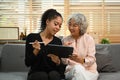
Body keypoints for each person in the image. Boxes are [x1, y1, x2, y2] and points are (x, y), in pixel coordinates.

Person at [25, 9, 66, 80]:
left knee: (54, 75)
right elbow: (27, 63)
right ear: (47, 22)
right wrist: (36, 51)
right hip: (36, 73)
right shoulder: (31, 37)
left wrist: (58, 62)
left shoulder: (58, 41)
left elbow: (61, 69)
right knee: (42, 76)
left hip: (53, 73)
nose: (58, 28)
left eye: (60, 26)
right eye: (55, 24)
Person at [61, 13, 99, 80]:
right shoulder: (65, 40)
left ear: (81, 27)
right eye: (69, 24)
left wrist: (81, 60)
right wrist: (64, 51)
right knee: (78, 68)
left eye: (74, 25)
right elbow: (64, 62)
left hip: (89, 72)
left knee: (78, 74)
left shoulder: (89, 39)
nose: (71, 27)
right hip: (71, 71)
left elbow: (92, 59)